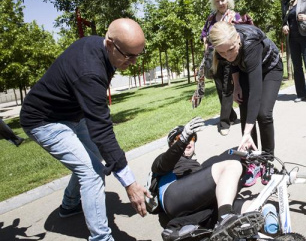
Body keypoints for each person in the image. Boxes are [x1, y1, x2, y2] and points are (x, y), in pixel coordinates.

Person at [20, 18, 150, 241]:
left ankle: (70, 205)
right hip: (44, 121)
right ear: (109, 43)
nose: (134, 61)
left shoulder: (100, 48)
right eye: (128, 55)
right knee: (92, 172)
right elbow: (102, 130)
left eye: (138, 54)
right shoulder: (89, 71)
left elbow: (98, 127)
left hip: (72, 114)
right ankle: (101, 238)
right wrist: (130, 183)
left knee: (92, 158)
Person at [148, 117, 262, 241]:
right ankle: (225, 218)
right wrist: (182, 140)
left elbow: (223, 171)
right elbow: (164, 163)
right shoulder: (164, 160)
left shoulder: (198, 168)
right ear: (171, 144)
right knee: (232, 165)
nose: (189, 142)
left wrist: (243, 157)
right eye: (178, 138)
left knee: (254, 208)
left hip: (196, 208)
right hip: (173, 196)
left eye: (192, 139)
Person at [208, 21, 283, 186]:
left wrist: (247, 131)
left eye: (230, 50)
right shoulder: (226, 47)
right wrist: (237, 86)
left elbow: (256, 93)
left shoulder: (250, 43)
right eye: (222, 52)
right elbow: (232, 62)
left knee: (263, 113)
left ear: (237, 39)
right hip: (245, 69)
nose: (227, 55)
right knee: (244, 108)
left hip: (270, 68)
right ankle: (254, 162)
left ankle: (267, 161)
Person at [192, 0, 240, 136]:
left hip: (229, 56)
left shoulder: (234, 16)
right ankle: (231, 115)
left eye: (223, 0)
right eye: (217, 1)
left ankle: (224, 122)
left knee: (226, 88)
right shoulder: (211, 18)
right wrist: (205, 41)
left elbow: (241, 32)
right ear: (214, 3)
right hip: (214, 57)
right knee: (220, 88)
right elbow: (204, 33)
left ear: (228, 1)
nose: (221, 3)